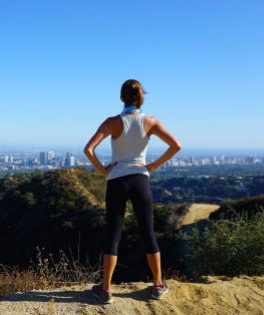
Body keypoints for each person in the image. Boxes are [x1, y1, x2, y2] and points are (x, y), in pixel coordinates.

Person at [84, 79, 181, 303]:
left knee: (113, 234)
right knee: (148, 232)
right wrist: (153, 166)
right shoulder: (150, 121)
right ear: (141, 98)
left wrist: (103, 170)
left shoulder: (113, 122)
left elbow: (88, 149)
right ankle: (158, 285)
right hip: (140, 180)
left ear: (121, 98)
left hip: (117, 180)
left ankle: (105, 290)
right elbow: (176, 145)